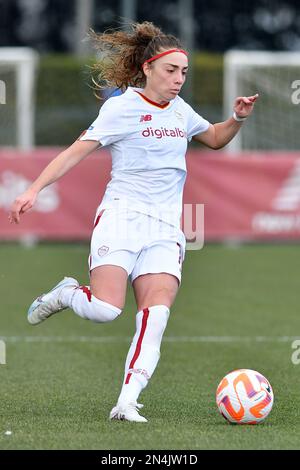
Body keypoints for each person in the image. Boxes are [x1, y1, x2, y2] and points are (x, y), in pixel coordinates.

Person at [9, 21, 258, 423]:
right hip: (122, 217)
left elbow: (213, 137)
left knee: (155, 315)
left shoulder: (181, 110)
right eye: (171, 70)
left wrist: (237, 119)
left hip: (166, 227)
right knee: (106, 309)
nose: (179, 79)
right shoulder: (121, 107)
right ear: (147, 69)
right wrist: (32, 189)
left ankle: (127, 400)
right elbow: (76, 151)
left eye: (184, 72)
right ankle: (66, 294)